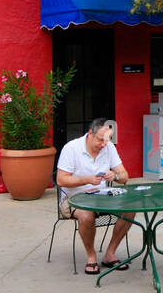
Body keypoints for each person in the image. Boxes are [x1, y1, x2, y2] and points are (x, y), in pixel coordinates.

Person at [56, 118, 133, 275]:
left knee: (130, 210)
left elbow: (125, 176)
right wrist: (86, 180)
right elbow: (61, 180)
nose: (103, 145)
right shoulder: (72, 148)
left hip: (101, 197)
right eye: (100, 140)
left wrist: (116, 176)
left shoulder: (108, 147)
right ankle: (91, 256)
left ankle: (110, 254)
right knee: (86, 215)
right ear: (90, 133)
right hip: (72, 198)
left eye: (106, 141)